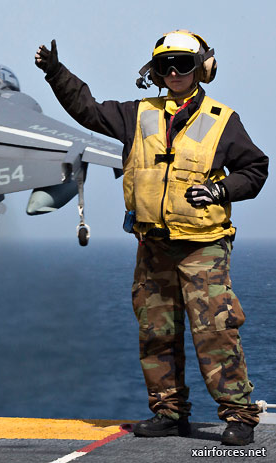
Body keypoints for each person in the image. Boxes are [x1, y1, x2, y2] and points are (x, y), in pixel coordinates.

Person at [35, 30, 268, 446]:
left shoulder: (222, 120)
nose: (175, 72)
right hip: (153, 245)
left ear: (203, 68)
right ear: (156, 72)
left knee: (216, 331)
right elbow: (87, 109)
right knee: (156, 331)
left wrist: (221, 190)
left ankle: (239, 416)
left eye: (183, 63)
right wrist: (56, 73)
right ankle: (169, 412)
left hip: (203, 247)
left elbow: (255, 169)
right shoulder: (137, 113)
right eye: (166, 65)